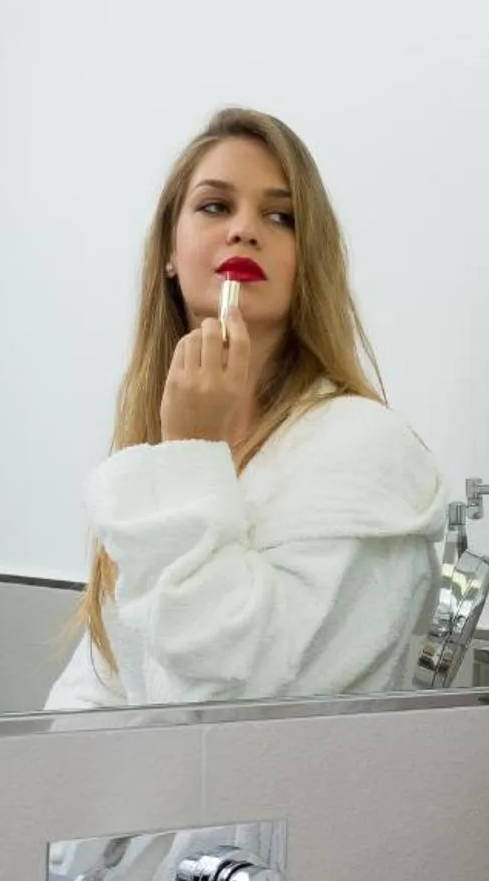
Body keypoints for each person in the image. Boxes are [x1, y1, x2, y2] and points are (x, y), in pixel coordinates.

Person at [46, 107, 447, 710]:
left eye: (280, 216)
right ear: (170, 252)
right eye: (214, 206)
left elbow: (234, 695)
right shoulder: (146, 451)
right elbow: (94, 693)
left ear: (306, 261)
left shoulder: (364, 452)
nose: (244, 230)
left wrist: (191, 455)